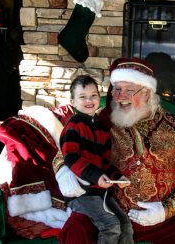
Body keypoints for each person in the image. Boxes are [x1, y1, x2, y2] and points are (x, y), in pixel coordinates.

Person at [58, 58, 175, 244]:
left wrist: (166, 210)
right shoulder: (100, 121)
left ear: (147, 92)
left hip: (164, 218)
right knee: (75, 230)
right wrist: (63, 170)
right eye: (117, 89)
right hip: (111, 210)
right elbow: (66, 149)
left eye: (129, 90)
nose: (120, 96)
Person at [59, 75, 134, 244]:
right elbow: (71, 158)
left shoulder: (102, 130)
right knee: (111, 225)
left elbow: (105, 163)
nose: (89, 100)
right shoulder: (73, 126)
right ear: (73, 101)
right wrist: (96, 176)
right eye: (82, 97)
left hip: (102, 192)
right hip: (82, 193)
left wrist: (117, 177)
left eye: (93, 95)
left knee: (126, 224)